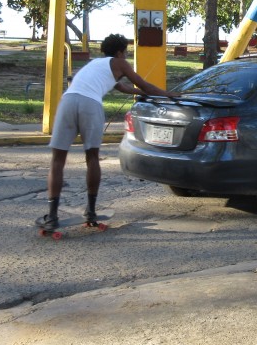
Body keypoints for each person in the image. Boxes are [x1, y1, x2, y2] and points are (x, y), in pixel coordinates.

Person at [36, 33, 176, 232]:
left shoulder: (95, 64)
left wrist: (140, 93)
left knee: (57, 160)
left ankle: (52, 216)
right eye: (125, 52)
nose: (125, 56)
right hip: (90, 104)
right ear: (120, 52)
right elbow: (142, 83)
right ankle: (91, 211)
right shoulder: (120, 63)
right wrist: (167, 94)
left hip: (68, 101)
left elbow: (123, 87)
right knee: (92, 157)